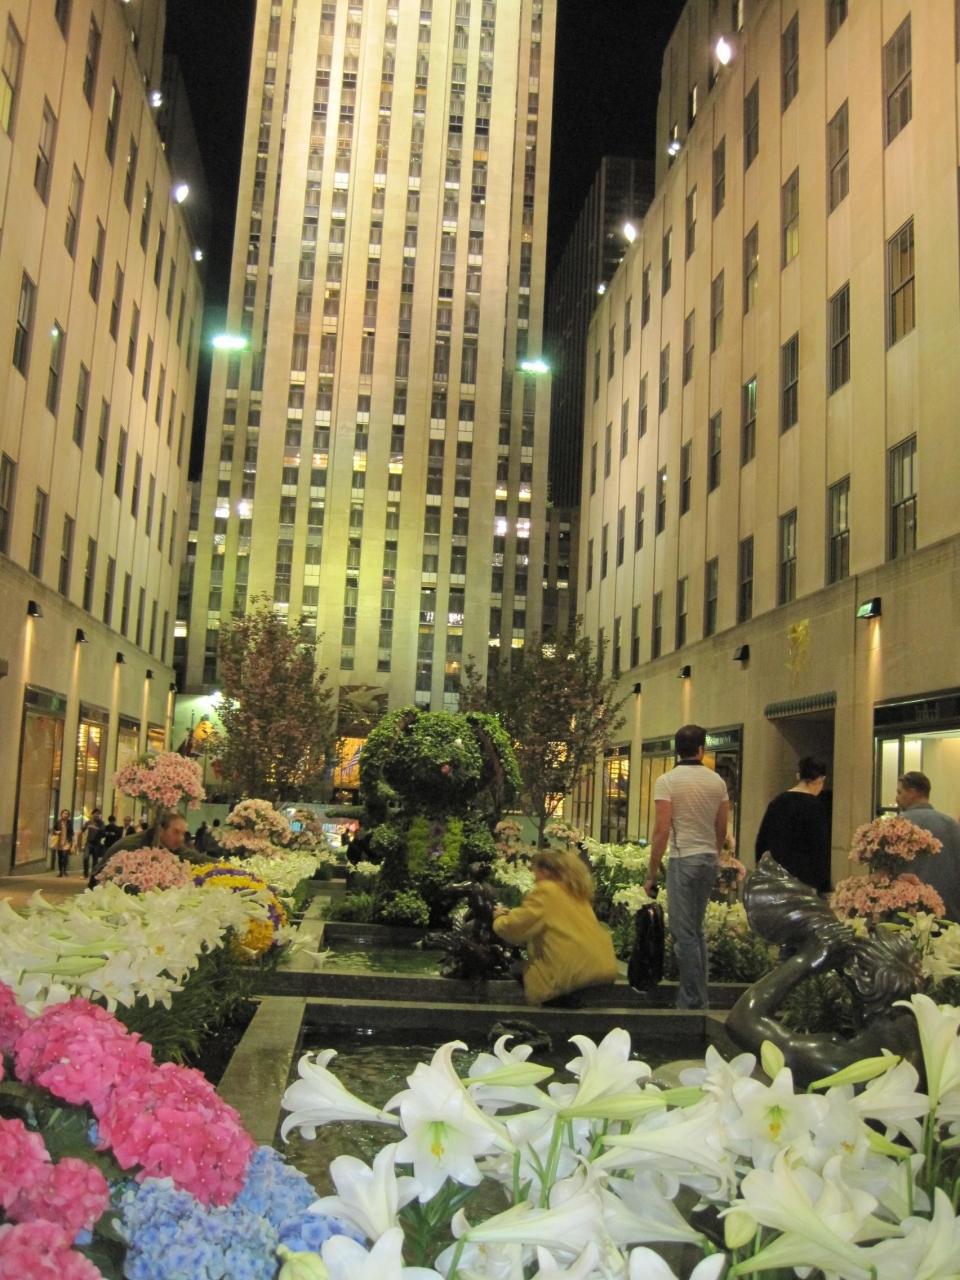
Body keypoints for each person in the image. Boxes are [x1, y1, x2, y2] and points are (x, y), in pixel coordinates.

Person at [643, 724, 728, 1009]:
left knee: (684, 933)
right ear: (702, 749)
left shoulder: (667, 781)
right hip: (707, 859)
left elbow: (661, 830)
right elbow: (721, 827)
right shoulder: (717, 782)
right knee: (696, 930)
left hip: (683, 859)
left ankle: (691, 1001)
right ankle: (700, 998)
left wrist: (651, 873)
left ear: (677, 750)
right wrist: (714, 855)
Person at [491, 848, 618, 1005]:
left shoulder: (547, 890)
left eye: (535, 872)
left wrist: (499, 918)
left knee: (515, 970)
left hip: (569, 974)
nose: (534, 878)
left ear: (545, 871)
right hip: (599, 968)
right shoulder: (575, 892)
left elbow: (516, 927)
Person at [754, 757, 831, 892]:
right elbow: (820, 847)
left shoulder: (777, 802)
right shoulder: (815, 806)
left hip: (775, 877)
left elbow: (762, 841)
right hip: (804, 880)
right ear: (820, 779)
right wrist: (822, 884)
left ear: (798, 776)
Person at [896, 771, 960, 922]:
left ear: (912, 792)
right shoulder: (952, 825)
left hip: (907, 915)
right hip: (948, 914)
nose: (896, 798)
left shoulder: (897, 825)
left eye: (899, 792)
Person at [93, 810, 206, 879]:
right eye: (176, 832)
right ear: (161, 830)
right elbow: (100, 876)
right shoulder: (133, 847)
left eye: (183, 833)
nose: (181, 838)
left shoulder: (172, 846)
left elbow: (195, 857)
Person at [80, 808, 105, 879]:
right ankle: (85, 874)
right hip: (88, 843)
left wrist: (99, 829)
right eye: (95, 814)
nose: (97, 815)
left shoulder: (101, 823)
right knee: (85, 857)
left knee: (95, 860)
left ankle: (93, 875)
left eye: (98, 814)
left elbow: (103, 833)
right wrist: (84, 827)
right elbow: (82, 830)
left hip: (97, 844)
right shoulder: (88, 822)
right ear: (92, 814)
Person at [50, 809, 75, 877]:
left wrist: (73, 842)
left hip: (67, 842)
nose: (65, 815)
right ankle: (60, 872)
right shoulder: (58, 821)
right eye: (64, 813)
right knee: (60, 857)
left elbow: (72, 832)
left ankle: (64, 870)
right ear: (61, 814)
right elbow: (52, 829)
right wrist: (56, 832)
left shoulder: (69, 822)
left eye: (67, 814)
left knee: (65, 856)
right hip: (59, 842)